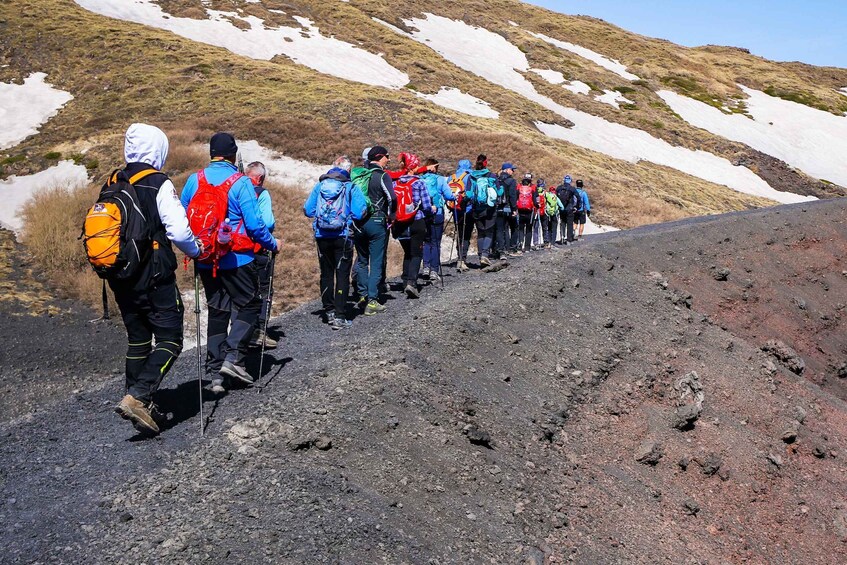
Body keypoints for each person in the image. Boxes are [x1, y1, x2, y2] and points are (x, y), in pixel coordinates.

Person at [107, 123, 203, 435]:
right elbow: (177, 229)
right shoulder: (157, 182)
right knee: (170, 339)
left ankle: (136, 396)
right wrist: (196, 249)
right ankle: (138, 397)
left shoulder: (113, 181)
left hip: (120, 275)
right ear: (156, 149)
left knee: (138, 338)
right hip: (154, 276)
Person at [181, 132, 280, 393]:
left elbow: (181, 218)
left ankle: (214, 373)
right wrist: (273, 244)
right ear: (233, 154)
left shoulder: (195, 180)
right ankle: (233, 358)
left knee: (217, 310)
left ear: (212, 153)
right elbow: (256, 226)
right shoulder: (241, 182)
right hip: (237, 258)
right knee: (250, 305)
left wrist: (195, 249)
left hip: (205, 259)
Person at [304, 156, 367, 330]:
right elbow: (359, 212)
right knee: (342, 274)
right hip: (343, 236)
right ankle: (340, 316)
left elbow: (308, 210)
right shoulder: (350, 186)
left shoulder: (320, 186)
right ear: (348, 170)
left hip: (322, 236)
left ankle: (328, 310)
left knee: (326, 273)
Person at [352, 145, 396, 316]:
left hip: (358, 223)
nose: (389, 159)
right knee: (376, 261)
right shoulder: (382, 176)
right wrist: (391, 215)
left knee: (362, 261)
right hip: (376, 221)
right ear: (379, 157)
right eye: (386, 156)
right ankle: (372, 300)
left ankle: (362, 295)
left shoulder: (358, 175)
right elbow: (392, 197)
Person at [243, 161, 277, 350]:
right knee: (264, 290)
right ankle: (259, 332)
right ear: (261, 178)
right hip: (257, 249)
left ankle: (242, 331)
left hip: (237, 252)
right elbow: (268, 222)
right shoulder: (261, 193)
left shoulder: (235, 189)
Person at [391, 154, 433, 298]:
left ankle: (404, 282)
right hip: (416, 221)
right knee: (416, 253)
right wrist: (432, 209)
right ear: (413, 167)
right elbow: (426, 206)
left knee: (407, 252)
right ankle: (412, 283)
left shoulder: (396, 183)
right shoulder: (419, 183)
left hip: (400, 223)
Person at [421, 158, 456, 282]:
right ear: (435, 168)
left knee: (426, 241)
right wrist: (454, 196)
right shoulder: (440, 180)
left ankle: (425, 267)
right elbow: (448, 195)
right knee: (436, 243)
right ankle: (434, 271)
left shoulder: (421, 179)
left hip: (424, 214)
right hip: (438, 214)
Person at [469, 154, 497, 267]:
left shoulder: (472, 177)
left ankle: (480, 255)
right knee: (489, 232)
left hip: (476, 208)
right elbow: (499, 191)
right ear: (486, 163)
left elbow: (469, 193)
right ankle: (485, 255)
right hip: (490, 208)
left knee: (481, 232)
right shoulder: (491, 175)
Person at [449, 159, 475, 273]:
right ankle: (462, 259)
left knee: (459, 232)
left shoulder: (452, 177)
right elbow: (471, 193)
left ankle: (459, 256)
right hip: (467, 209)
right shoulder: (470, 176)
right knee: (466, 234)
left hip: (455, 209)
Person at [496, 162, 518, 257]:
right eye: (512, 169)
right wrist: (514, 209)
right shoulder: (511, 181)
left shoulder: (496, 179)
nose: (513, 171)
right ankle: (509, 249)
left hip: (497, 207)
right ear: (507, 170)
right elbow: (513, 196)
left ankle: (500, 250)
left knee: (499, 229)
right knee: (510, 227)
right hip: (507, 207)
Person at [515, 172, 538, 253]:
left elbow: (515, 199)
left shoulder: (518, 188)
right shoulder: (533, 188)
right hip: (529, 211)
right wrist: (537, 207)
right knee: (529, 229)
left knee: (520, 228)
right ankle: (527, 247)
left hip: (520, 210)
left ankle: (520, 245)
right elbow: (535, 201)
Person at [556, 175, 578, 244]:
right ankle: (569, 239)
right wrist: (576, 206)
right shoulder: (572, 189)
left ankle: (562, 237)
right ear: (570, 181)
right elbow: (578, 198)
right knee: (569, 224)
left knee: (562, 223)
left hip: (561, 208)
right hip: (570, 208)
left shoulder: (559, 188)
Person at [542, 182, 563, 249]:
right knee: (554, 229)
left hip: (547, 214)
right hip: (555, 214)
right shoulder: (556, 197)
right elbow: (562, 207)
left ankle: (548, 242)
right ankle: (553, 243)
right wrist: (559, 209)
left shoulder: (547, 196)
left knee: (549, 228)